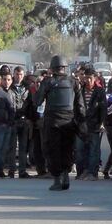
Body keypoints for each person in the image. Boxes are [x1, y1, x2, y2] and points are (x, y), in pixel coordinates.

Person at [35, 55, 86, 191]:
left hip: (52, 121)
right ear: (64, 67)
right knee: (67, 150)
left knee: (53, 151)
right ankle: (65, 176)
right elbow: (80, 106)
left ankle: (57, 180)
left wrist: (38, 87)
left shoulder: (48, 82)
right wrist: (82, 122)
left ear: (52, 68)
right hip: (69, 121)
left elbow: (37, 101)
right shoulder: (73, 82)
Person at [75, 68, 107, 180]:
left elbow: (103, 109)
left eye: (90, 78)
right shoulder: (80, 90)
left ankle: (92, 173)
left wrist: (102, 123)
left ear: (95, 78)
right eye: (86, 77)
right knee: (79, 150)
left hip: (94, 124)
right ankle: (81, 172)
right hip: (81, 125)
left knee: (94, 150)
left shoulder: (100, 91)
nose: (88, 80)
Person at [7, 66, 32, 178]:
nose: (19, 76)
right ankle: (12, 170)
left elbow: (31, 104)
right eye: (17, 74)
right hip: (12, 120)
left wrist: (28, 117)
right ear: (14, 74)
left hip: (24, 120)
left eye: (21, 74)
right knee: (12, 146)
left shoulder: (27, 87)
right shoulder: (9, 86)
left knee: (23, 147)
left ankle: (22, 170)